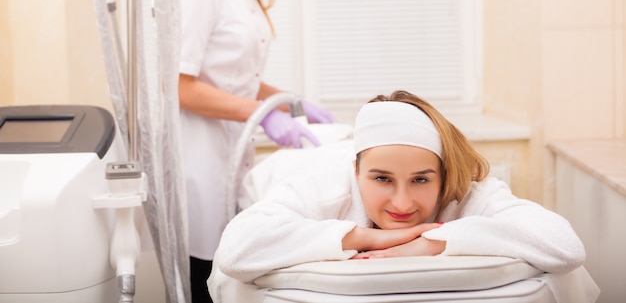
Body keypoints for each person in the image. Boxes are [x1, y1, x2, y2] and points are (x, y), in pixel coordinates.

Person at [208, 90, 594, 301]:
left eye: (422, 180)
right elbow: (237, 253)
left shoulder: (464, 191)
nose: (403, 203)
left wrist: (435, 241)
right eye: (382, 179)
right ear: (355, 171)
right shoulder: (326, 184)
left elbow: (565, 248)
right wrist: (364, 236)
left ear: (443, 175)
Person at [177, 0, 333, 301]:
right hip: (198, 162)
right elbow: (178, 86)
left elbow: (236, 76)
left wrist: (290, 102)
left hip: (231, 160)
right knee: (204, 279)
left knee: (232, 273)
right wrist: (263, 114)